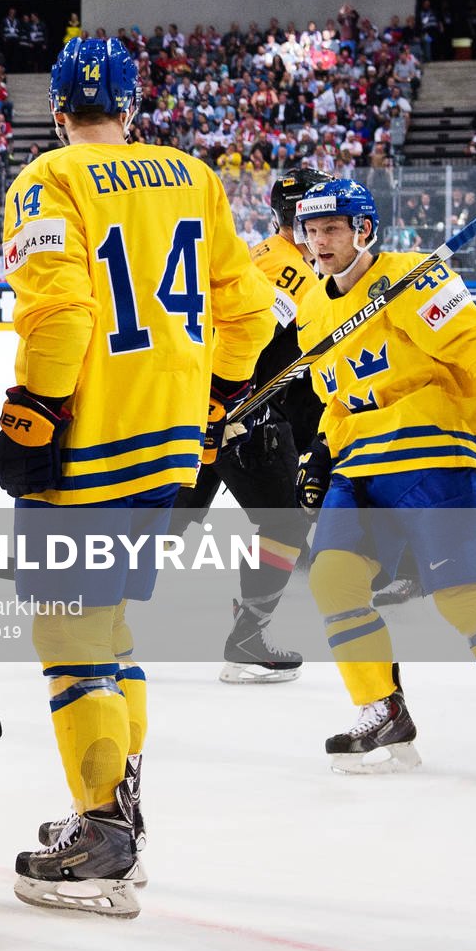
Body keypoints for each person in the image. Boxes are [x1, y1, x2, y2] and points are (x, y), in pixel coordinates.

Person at [0, 37, 272, 917]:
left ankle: (102, 836)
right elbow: (252, 309)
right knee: (110, 632)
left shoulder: (49, 180)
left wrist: (33, 412)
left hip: (90, 443)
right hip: (169, 443)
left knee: (68, 639)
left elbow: (63, 314)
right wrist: (220, 393)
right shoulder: (193, 175)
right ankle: (121, 810)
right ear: (132, 103)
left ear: (57, 109)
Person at [291, 179, 476, 782]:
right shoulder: (313, 308)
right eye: (311, 231)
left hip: (432, 453)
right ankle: (381, 708)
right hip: (359, 463)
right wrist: (320, 448)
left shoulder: (411, 277)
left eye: (332, 229)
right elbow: (334, 399)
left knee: (464, 597)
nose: (319, 242)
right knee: (334, 579)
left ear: (363, 230)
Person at [178, 167, 330, 684]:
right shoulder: (287, 273)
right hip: (244, 418)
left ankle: (83, 604)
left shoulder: (268, 257)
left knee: (170, 522)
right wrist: (235, 405)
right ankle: (247, 638)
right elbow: (249, 336)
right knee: (285, 524)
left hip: (216, 411)